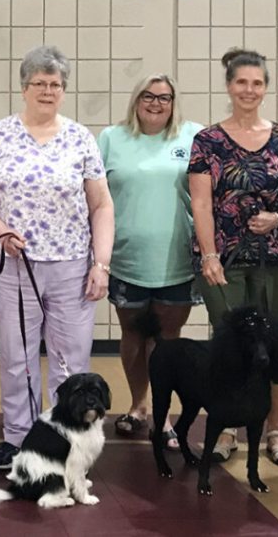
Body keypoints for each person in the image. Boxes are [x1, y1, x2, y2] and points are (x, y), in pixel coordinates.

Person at [0, 45, 114, 469]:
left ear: (63, 91)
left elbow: (102, 204)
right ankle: (17, 439)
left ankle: (66, 441)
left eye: (56, 84)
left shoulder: (80, 137)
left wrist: (100, 264)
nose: (48, 91)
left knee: (70, 360)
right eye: (40, 83)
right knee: (17, 357)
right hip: (16, 263)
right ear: (24, 87)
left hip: (72, 265)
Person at [189, 48, 278, 466]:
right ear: (229, 85)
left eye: (257, 83)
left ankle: (274, 429)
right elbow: (201, 204)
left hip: (274, 256)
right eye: (241, 82)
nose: (249, 89)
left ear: (266, 88)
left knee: (271, 343)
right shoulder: (207, 139)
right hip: (223, 257)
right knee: (228, 344)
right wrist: (209, 255)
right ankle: (225, 429)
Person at [98, 75, 203, 451]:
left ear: (174, 102)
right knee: (133, 335)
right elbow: (95, 198)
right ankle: (139, 405)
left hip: (176, 260)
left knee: (166, 341)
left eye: (165, 97)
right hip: (126, 259)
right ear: (136, 99)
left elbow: (207, 196)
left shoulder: (194, 136)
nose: (156, 103)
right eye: (148, 95)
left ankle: (164, 416)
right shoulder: (111, 138)